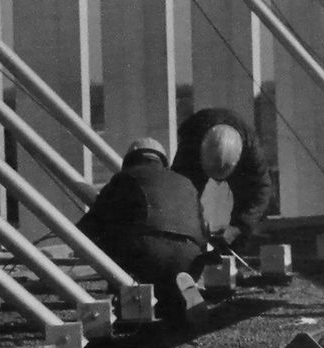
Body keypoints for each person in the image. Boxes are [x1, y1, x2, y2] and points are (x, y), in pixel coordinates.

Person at [76, 137, 208, 323]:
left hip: (146, 257)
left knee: (117, 239)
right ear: (162, 160)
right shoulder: (185, 182)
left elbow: (94, 221)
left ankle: (130, 295)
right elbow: (204, 229)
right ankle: (179, 294)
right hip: (191, 259)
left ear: (130, 160)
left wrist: (78, 237)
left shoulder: (124, 178)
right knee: (168, 280)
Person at [170, 106, 273, 247]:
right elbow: (179, 192)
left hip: (239, 160)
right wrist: (196, 222)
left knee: (245, 220)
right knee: (184, 200)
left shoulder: (250, 150)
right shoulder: (190, 147)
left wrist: (239, 226)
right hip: (196, 139)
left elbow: (261, 189)